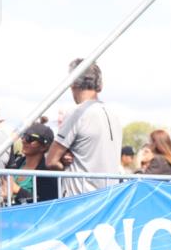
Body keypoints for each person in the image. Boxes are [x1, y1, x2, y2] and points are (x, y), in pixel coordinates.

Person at [46, 58, 122, 196]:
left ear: (72, 83)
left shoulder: (77, 112)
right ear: (100, 85)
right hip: (110, 199)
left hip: (81, 201)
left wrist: (63, 164)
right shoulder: (114, 115)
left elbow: (51, 161)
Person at [11, 123, 59, 203]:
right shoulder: (16, 163)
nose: (24, 140)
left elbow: (46, 203)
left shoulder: (47, 174)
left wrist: (17, 190)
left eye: (30, 139)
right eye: (24, 136)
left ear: (44, 146)